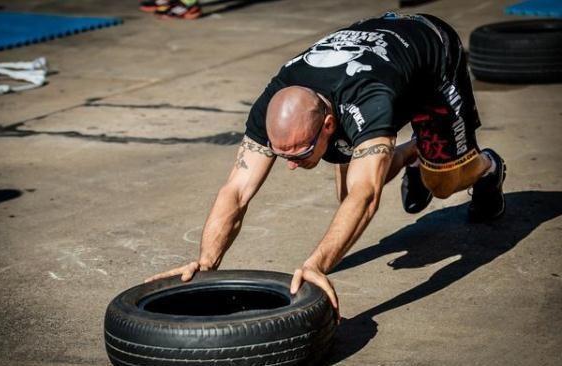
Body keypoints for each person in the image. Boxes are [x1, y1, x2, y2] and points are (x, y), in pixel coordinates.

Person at [145, 13, 506, 318]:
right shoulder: (273, 100)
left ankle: (488, 167)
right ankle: (415, 151)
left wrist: (316, 263)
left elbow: (366, 197)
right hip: (378, 60)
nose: (290, 167)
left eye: (300, 154)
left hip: (432, 56)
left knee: (442, 183)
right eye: (282, 155)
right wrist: (206, 264)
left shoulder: (369, 103)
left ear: (329, 126)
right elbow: (236, 191)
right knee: (344, 194)